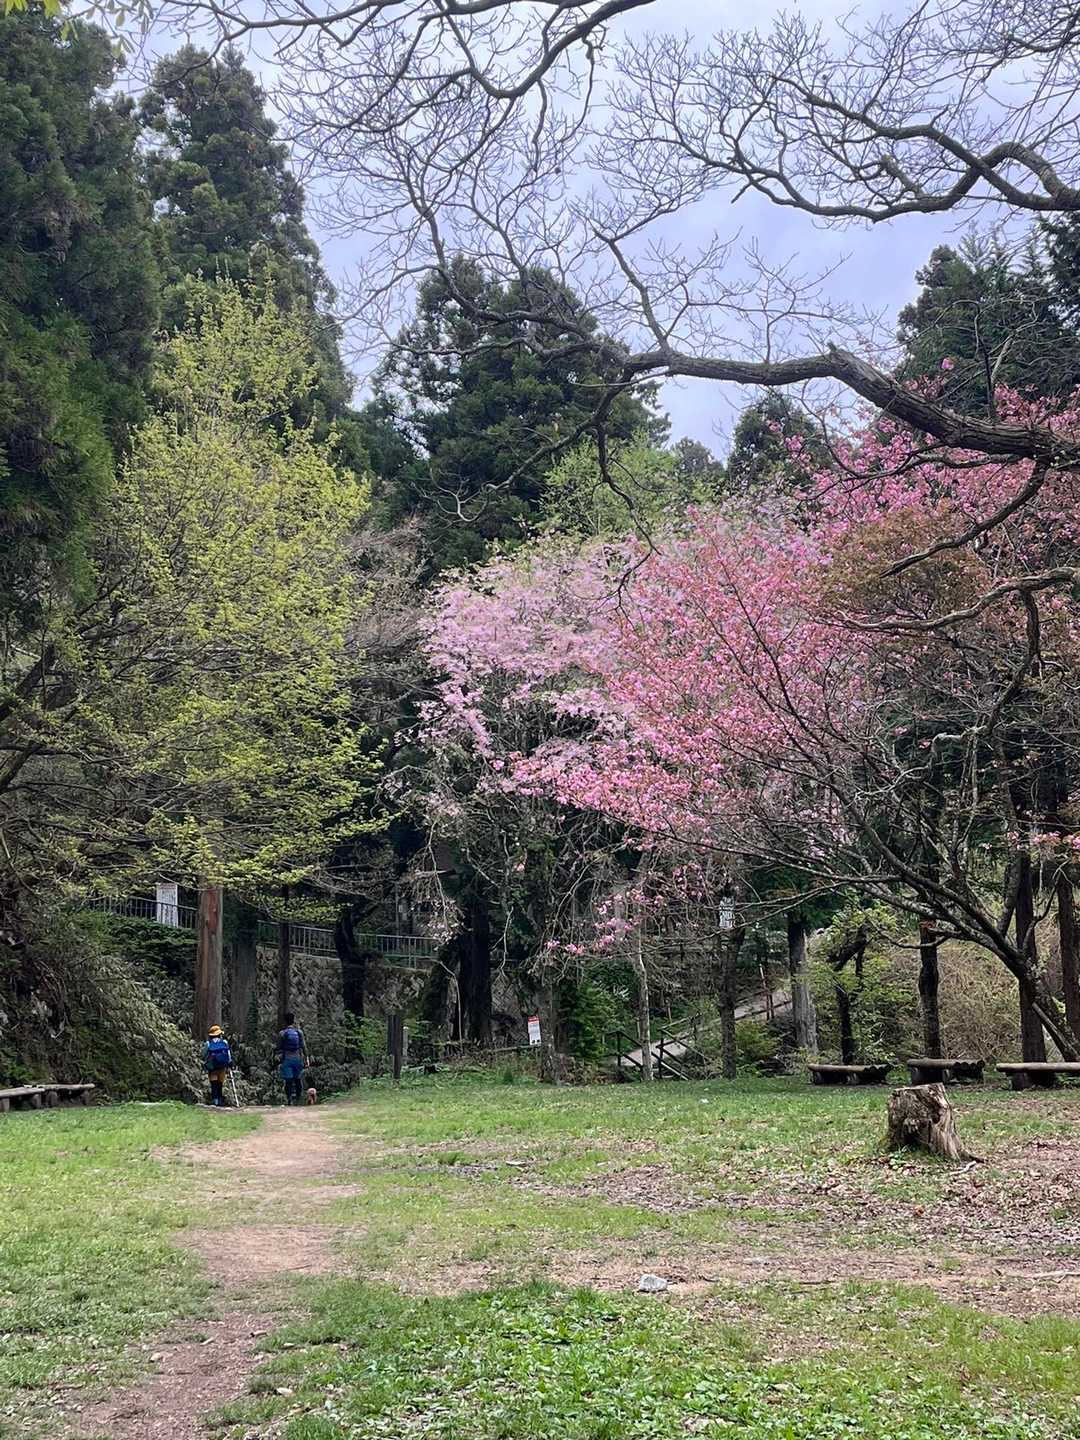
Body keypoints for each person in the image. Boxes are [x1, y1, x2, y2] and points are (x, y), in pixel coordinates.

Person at [278, 1012, 308, 1106]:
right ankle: (298, 1099)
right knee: (298, 1079)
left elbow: (279, 1046)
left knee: (288, 1080)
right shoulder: (299, 1032)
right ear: (293, 1021)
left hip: (287, 1059)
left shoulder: (282, 1033)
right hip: (297, 1059)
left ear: (285, 1022)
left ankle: (289, 1099)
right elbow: (304, 1046)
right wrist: (306, 1058)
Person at [202, 1024, 233, 1107]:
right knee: (220, 1084)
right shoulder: (224, 1042)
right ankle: (220, 1100)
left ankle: (215, 1101)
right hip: (222, 1066)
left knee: (214, 1084)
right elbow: (228, 1053)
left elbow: (203, 1054)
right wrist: (230, 1062)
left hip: (212, 1067)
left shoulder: (208, 1043)